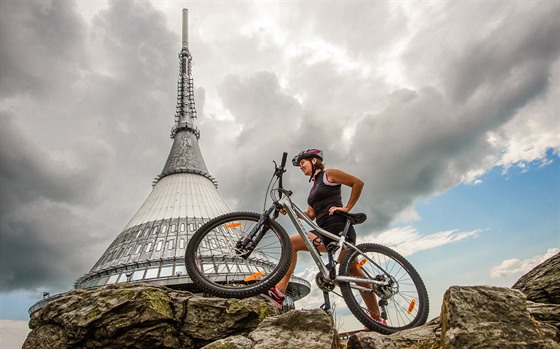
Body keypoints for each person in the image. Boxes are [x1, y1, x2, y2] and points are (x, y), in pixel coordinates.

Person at [260, 148, 384, 324]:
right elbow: (310, 214)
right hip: (324, 232)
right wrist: (289, 211)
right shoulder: (312, 190)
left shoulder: (329, 174)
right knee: (292, 243)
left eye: (303, 163)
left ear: (314, 161)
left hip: (340, 228)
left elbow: (358, 183)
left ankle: (377, 319)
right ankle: (279, 292)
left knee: (352, 270)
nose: (301, 167)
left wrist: (347, 208)